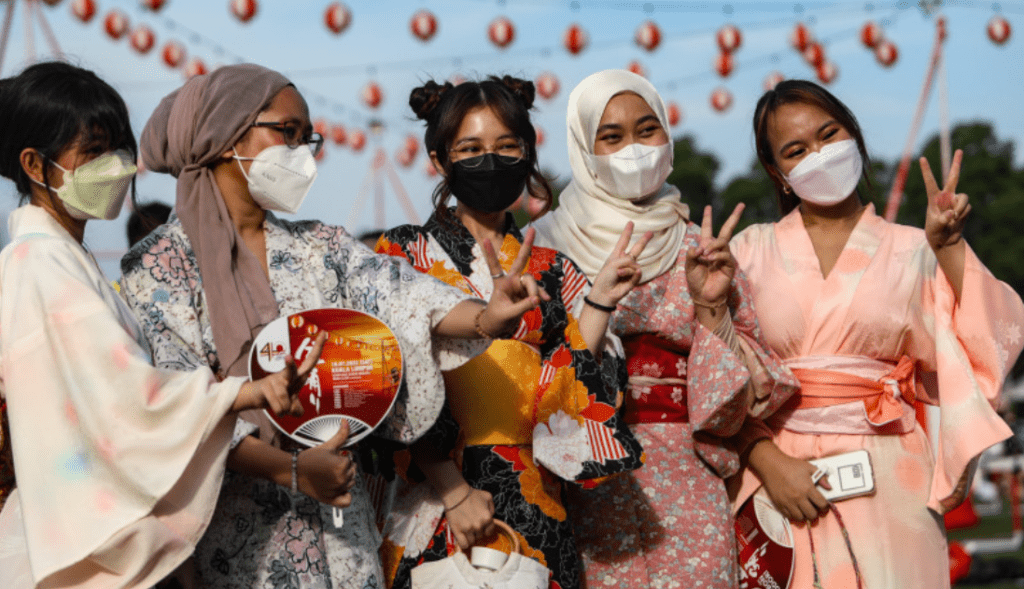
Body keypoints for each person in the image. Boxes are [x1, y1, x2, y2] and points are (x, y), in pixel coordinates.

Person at [119, 64, 541, 589]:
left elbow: (404, 296)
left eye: (307, 136)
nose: (302, 151)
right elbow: (180, 405)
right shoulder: (158, 267)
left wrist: (485, 315)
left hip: (342, 521)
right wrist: (292, 472)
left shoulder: (320, 247)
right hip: (233, 528)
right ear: (222, 138)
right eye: (286, 132)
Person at [0, 61, 323, 589]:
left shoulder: (62, 260)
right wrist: (241, 394)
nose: (118, 167)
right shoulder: (39, 265)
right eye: (95, 150)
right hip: (92, 534)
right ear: (36, 165)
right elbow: (122, 399)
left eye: (120, 151)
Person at [730, 79, 1024, 588]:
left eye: (829, 134)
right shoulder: (747, 252)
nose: (819, 155)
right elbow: (714, 371)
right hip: (778, 474)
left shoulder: (913, 247)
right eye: (796, 150)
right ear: (778, 173)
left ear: (855, 136)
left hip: (892, 471)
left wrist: (950, 247)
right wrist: (763, 459)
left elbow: (987, 339)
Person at [375, 75, 648, 589]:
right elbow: (395, 378)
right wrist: (451, 488)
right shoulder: (404, 255)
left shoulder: (553, 267)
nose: (491, 161)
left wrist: (599, 300)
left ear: (527, 155)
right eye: (471, 149)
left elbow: (568, 384)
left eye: (507, 146)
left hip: (535, 491)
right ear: (439, 160)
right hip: (439, 491)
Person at [530, 69, 799, 589]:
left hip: (688, 474)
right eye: (611, 136)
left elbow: (743, 396)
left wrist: (711, 307)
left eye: (646, 129)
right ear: (584, 148)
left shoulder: (702, 245)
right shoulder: (542, 245)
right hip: (582, 479)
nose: (633, 147)